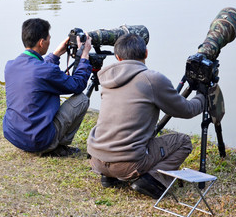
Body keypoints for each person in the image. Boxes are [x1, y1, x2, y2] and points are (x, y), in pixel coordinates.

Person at [87, 33, 205, 199]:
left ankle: (108, 176)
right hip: (127, 165)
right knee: (183, 142)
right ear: (146, 53)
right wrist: (202, 96)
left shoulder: (105, 77)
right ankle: (153, 179)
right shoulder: (152, 79)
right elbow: (186, 110)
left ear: (118, 57)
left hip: (97, 159)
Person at [3, 18, 93, 157]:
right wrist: (85, 55)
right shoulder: (46, 70)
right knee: (82, 99)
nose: (50, 41)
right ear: (41, 42)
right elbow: (78, 84)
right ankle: (56, 145)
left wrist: (56, 54)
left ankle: (45, 143)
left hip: (14, 136)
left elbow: (37, 70)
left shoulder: (10, 65)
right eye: (49, 38)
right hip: (38, 141)